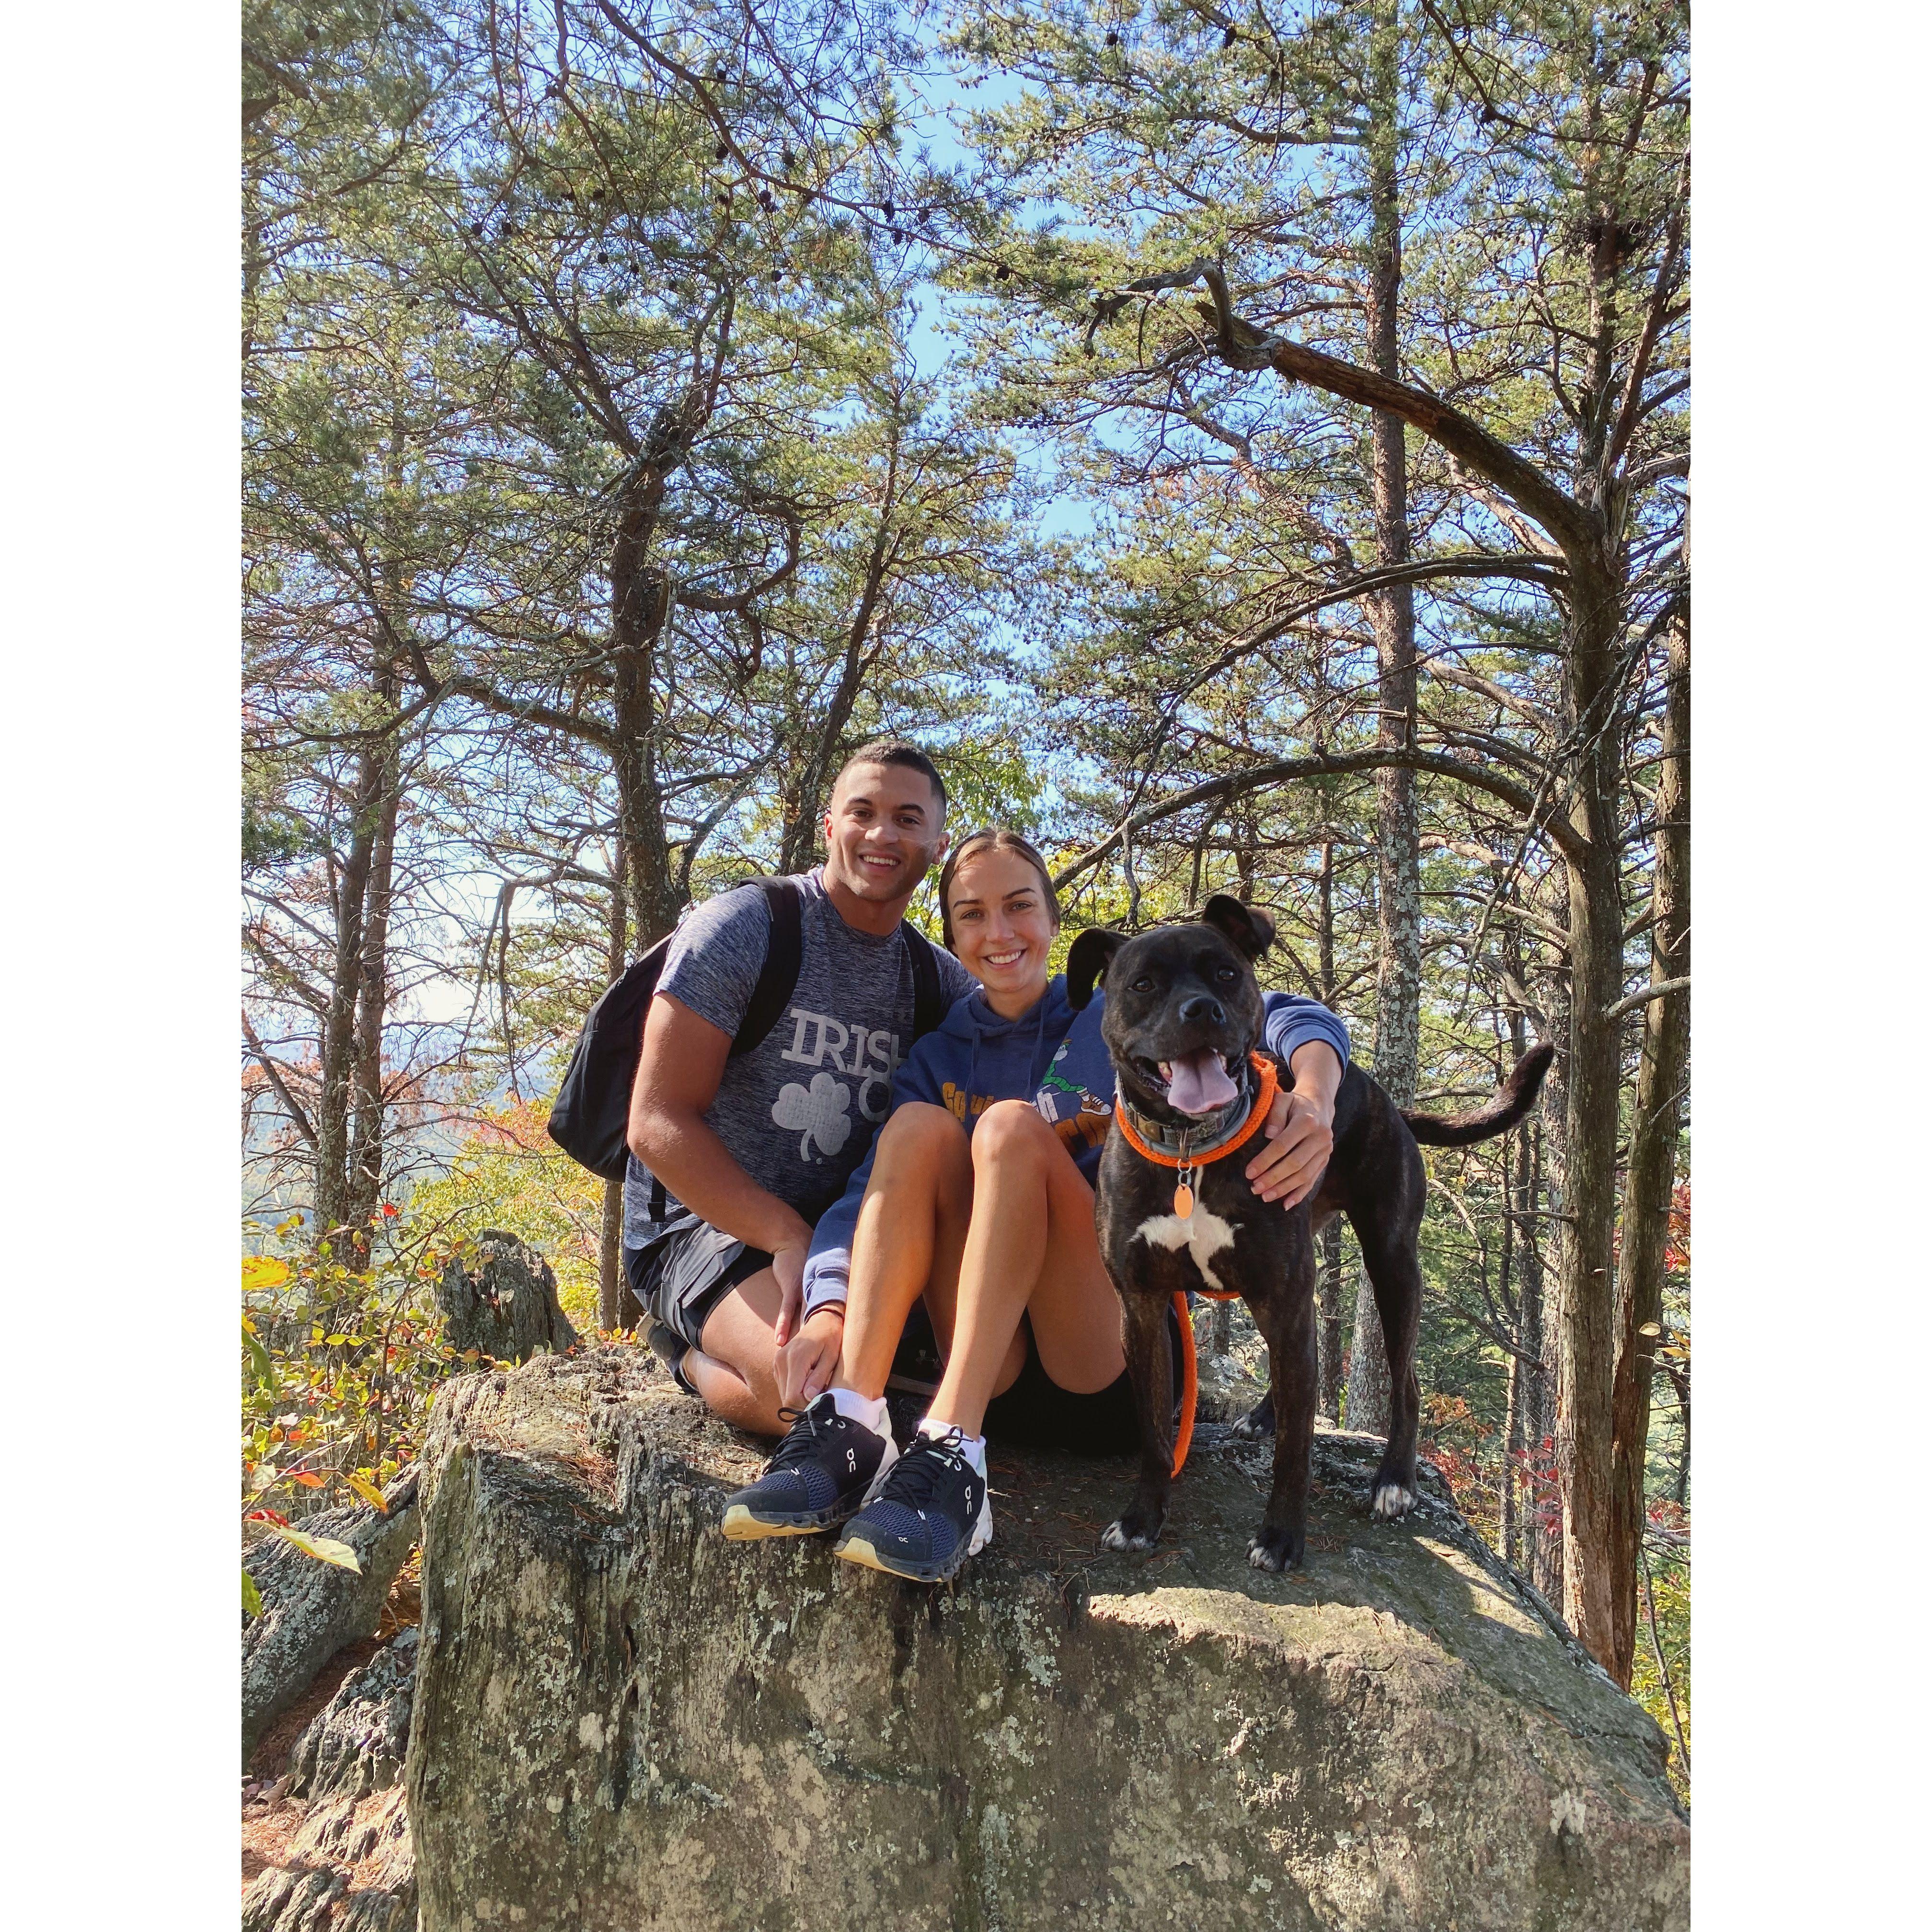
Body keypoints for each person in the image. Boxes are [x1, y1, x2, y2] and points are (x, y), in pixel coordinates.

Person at [720, 827, 1351, 1582]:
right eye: (972, 915)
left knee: (1011, 1129)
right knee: (918, 1129)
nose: (999, 932)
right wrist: (829, 1304)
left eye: (1019, 905)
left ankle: (952, 1454)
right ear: (952, 936)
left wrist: (1316, 1093)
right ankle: (855, 1427)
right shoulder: (939, 1053)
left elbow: (1277, 1010)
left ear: (1053, 919)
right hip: (991, 1366)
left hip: (1105, 1365)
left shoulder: (1122, 1006)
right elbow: (869, 1198)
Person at [622, 739, 976, 1436]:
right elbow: (656, 1122)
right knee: (822, 1405)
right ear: (830, 826)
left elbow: (1043, 1060)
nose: (882, 834)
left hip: (848, 1245)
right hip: (706, 1225)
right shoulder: (748, 927)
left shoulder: (938, 981)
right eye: (862, 812)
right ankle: (686, 1356)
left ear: (937, 846)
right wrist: (785, 1235)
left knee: (929, 1398)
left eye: (908, 819)